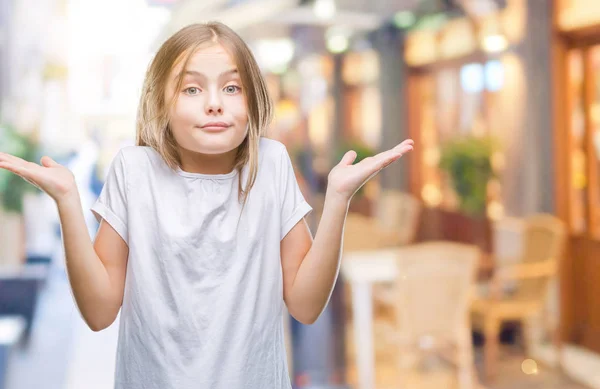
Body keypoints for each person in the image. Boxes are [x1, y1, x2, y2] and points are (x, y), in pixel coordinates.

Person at [0, 22, 413, 389]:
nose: (214, 103)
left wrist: (339, 199)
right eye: (192, 88)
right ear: (161, 102)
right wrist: (68, 201)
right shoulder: (135, 169)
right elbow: (98, 311)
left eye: (231, 88)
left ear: (251, 101)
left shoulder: (271, 163)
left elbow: (305, 305)